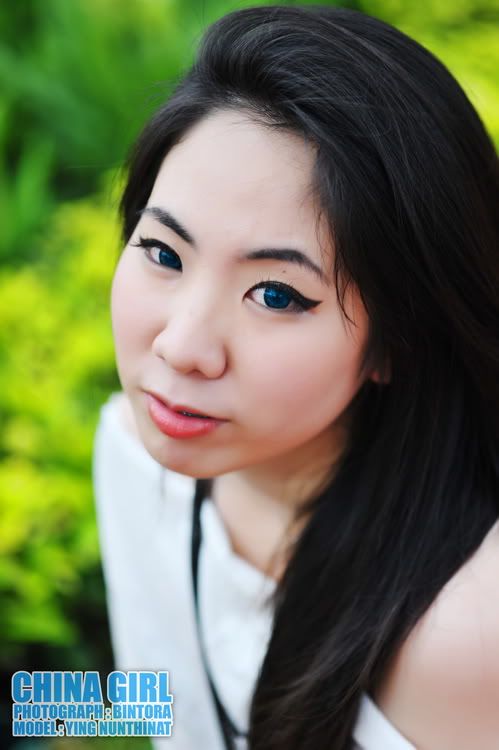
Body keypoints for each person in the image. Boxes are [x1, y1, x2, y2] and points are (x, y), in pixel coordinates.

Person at [92, 4, 499, 749]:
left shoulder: (465, 634)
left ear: (398, 340)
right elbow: (166, 720)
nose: (182, 348)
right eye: (163, 253)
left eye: (276, 295)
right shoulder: (133, 456)